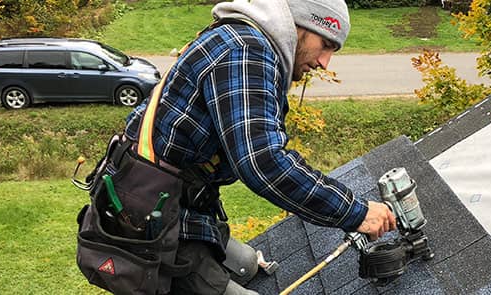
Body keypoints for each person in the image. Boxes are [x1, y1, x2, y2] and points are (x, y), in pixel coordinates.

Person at [123, 0, 397, 293]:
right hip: (148, 217)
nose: (324, 63)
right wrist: (356, 212)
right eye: (325, 44)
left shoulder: (244, 40)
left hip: (173, 198)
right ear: (301, 26)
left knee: (247, 264)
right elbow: (263, 162)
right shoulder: (245, 52)